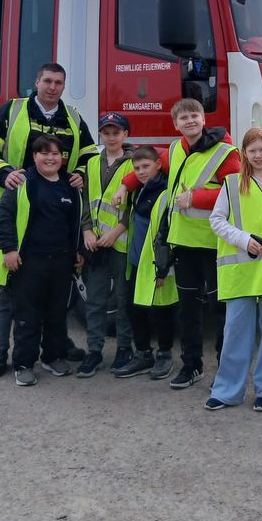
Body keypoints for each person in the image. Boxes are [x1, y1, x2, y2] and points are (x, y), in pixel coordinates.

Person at [0, 63, 97, 378]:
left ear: (64, 86)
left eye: (58, 82)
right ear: (37, 82)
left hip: (54, 209)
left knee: (56, 293)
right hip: (12, 211)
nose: (52, 87)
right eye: (48, 81)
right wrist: (4, 173)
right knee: (5, 291)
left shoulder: (72, 117)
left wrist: (80, 174)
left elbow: (89, 155)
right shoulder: (11, 111)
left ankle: (55, 347)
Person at [118, 99, 240, 388]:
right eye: (183, 118)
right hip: (182, 243)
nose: (190, 121)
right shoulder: (175, 149)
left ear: (204, 119)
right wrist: (125, 184)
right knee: (188, 310)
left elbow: (236, 191)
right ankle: (191, 365)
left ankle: (225, 370)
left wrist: (195, 198)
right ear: (175, 124)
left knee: (220, 310)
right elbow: (148, 167)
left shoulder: (225, 152)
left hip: (214, 243)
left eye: (194, 115)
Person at [0, 135, 84, 386]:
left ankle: (53, 358)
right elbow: (4, 216)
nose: (50, 158)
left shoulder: (70, 185)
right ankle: (24, 364)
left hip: (61, 261)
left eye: (55, 153)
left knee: (56, 314)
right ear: (34, 157)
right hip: (30, 262)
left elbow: (75, 222)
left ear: (62, 158)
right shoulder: (22, 183)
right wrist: (9, 250)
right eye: (44, 153)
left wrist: (78, 250)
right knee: (28, 315)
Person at [206, 127, 262, 411]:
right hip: (240, 271)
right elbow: (217, 220)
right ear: (244, 153)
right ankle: (226, 391)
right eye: (252, 150)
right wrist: (245, 240)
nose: (258, 155)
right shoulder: (232, 183)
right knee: (236, 331)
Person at [76, 113, 135, 377]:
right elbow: (85, 200)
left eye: (116, 132)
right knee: (95, 300)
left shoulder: (134, 163)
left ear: (125, 135)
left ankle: (124, 348)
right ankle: (94, 351)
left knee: (123, 299)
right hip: (95, 244)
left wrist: (118, 230)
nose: (111, 137)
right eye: (106, 133)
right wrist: (86, 230)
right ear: (100, 134)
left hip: (121, 242)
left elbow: (136, 204)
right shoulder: (91, 163)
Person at [113, 145, 175, 380]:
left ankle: (165, 355)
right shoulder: (139, 189)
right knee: (136, 310)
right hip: (137, 262)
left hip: (157, 265)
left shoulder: (165, 191)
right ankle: (143, 354)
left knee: (162, 311)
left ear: (158, 165)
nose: (141, 171)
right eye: (137, 168)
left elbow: (166, 232)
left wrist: (162, 270)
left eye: (146, 166)